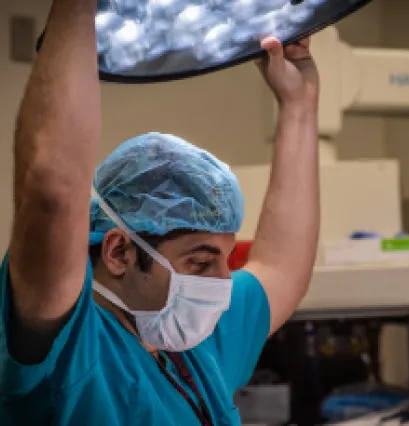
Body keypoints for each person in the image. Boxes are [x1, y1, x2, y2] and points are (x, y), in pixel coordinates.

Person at [0, 0, 320, 424]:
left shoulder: (192, 346)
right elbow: (52, 193)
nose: (224, 282)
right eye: (201, 262)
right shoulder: (69, 345)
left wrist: (299, 106)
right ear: (118, 252)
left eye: (225, 259)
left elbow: (280, 267)